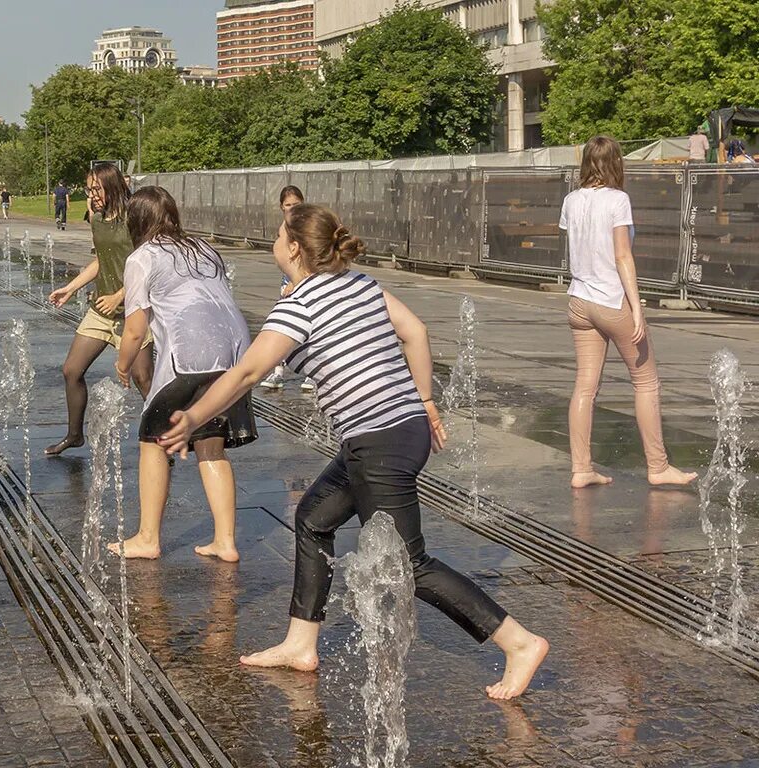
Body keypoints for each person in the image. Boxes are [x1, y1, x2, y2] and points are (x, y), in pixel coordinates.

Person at [159, 204, 549, 699]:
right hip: (399, 427)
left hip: (378, 439)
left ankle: (518, 642)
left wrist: (193, 418)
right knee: (314, 517)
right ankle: (301, 642)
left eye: (280, 235)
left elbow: (247, 373)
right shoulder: (357, 283)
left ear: (295, 248)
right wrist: (425, 400)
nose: (275, 242)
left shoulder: (300, 305)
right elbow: (416, 332)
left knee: (410, 565)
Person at [109, 186, 257, 562]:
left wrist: (123, 364)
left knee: (153, 440)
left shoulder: (142, 257)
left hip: (191, 352)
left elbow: (135, 329)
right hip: (235, 351)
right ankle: (225, 541)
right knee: (210, 443)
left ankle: (147, 537)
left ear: (136, 220)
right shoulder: (204, 248)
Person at [560, 136, 698, 489]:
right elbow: (622, 255)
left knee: (585, 387)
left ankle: (581, 469)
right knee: (646, 382)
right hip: (610, 299)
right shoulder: (618, 200)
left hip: (578, 300)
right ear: (616, 163)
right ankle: (658, 466)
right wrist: (637, 308)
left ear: (587, 163)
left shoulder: (571, 200)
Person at [45, 163, 154, 455]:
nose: (92, 195)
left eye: (96, 189)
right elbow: (101, 261)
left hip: (134, 310)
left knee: (143, 379)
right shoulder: (97, 219)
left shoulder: (135, 217)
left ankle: (163, 440)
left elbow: (148, 266)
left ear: (112, 185)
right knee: (71, 370)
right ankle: (75, 435)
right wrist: (71, 287)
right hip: (101, 310)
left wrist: (120, 295)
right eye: (89, 189)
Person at [260, 185, 315, 393]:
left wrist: (296, 281)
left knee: (309, 327)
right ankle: (278, 371)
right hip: (288, 279)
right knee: (282, 325)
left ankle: (313, 374)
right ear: (281, 207)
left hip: (304, 278)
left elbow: (309, 255)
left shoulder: (308, 225)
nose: (292, 208)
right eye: (288, 205)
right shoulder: (284, 226)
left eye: (296, 204)